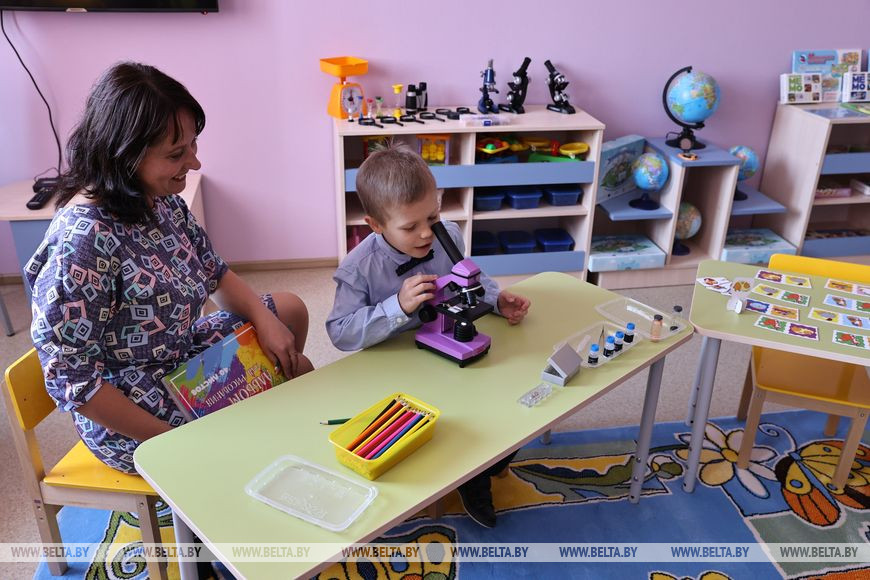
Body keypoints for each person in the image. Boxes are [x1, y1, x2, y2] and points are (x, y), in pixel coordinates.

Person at [26, 62, 313, 474]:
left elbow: (213, 271)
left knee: (287, 313)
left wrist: (264, 320)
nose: (194, 163)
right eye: (176, 154)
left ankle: (258, 441)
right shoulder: (81, 244)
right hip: (131, 406)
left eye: (193, 145)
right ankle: (242, 464)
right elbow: (74, 381)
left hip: (175, 355)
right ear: (124, 155)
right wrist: (171, 438)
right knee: (296, 374)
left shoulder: (157, 200)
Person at [326, 143, 530, 528]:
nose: (426, 234)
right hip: (391, 368)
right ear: (375, 225)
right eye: (410, 227)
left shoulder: (446, 234)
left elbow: (472, 277)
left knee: (512, 399)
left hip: (444, 347)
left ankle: (479, 471)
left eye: (432, 216)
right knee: (428, 434)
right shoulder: (358, 269)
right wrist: (396, 307)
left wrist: (496, 299)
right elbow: (339, 332)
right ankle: (467, 476)